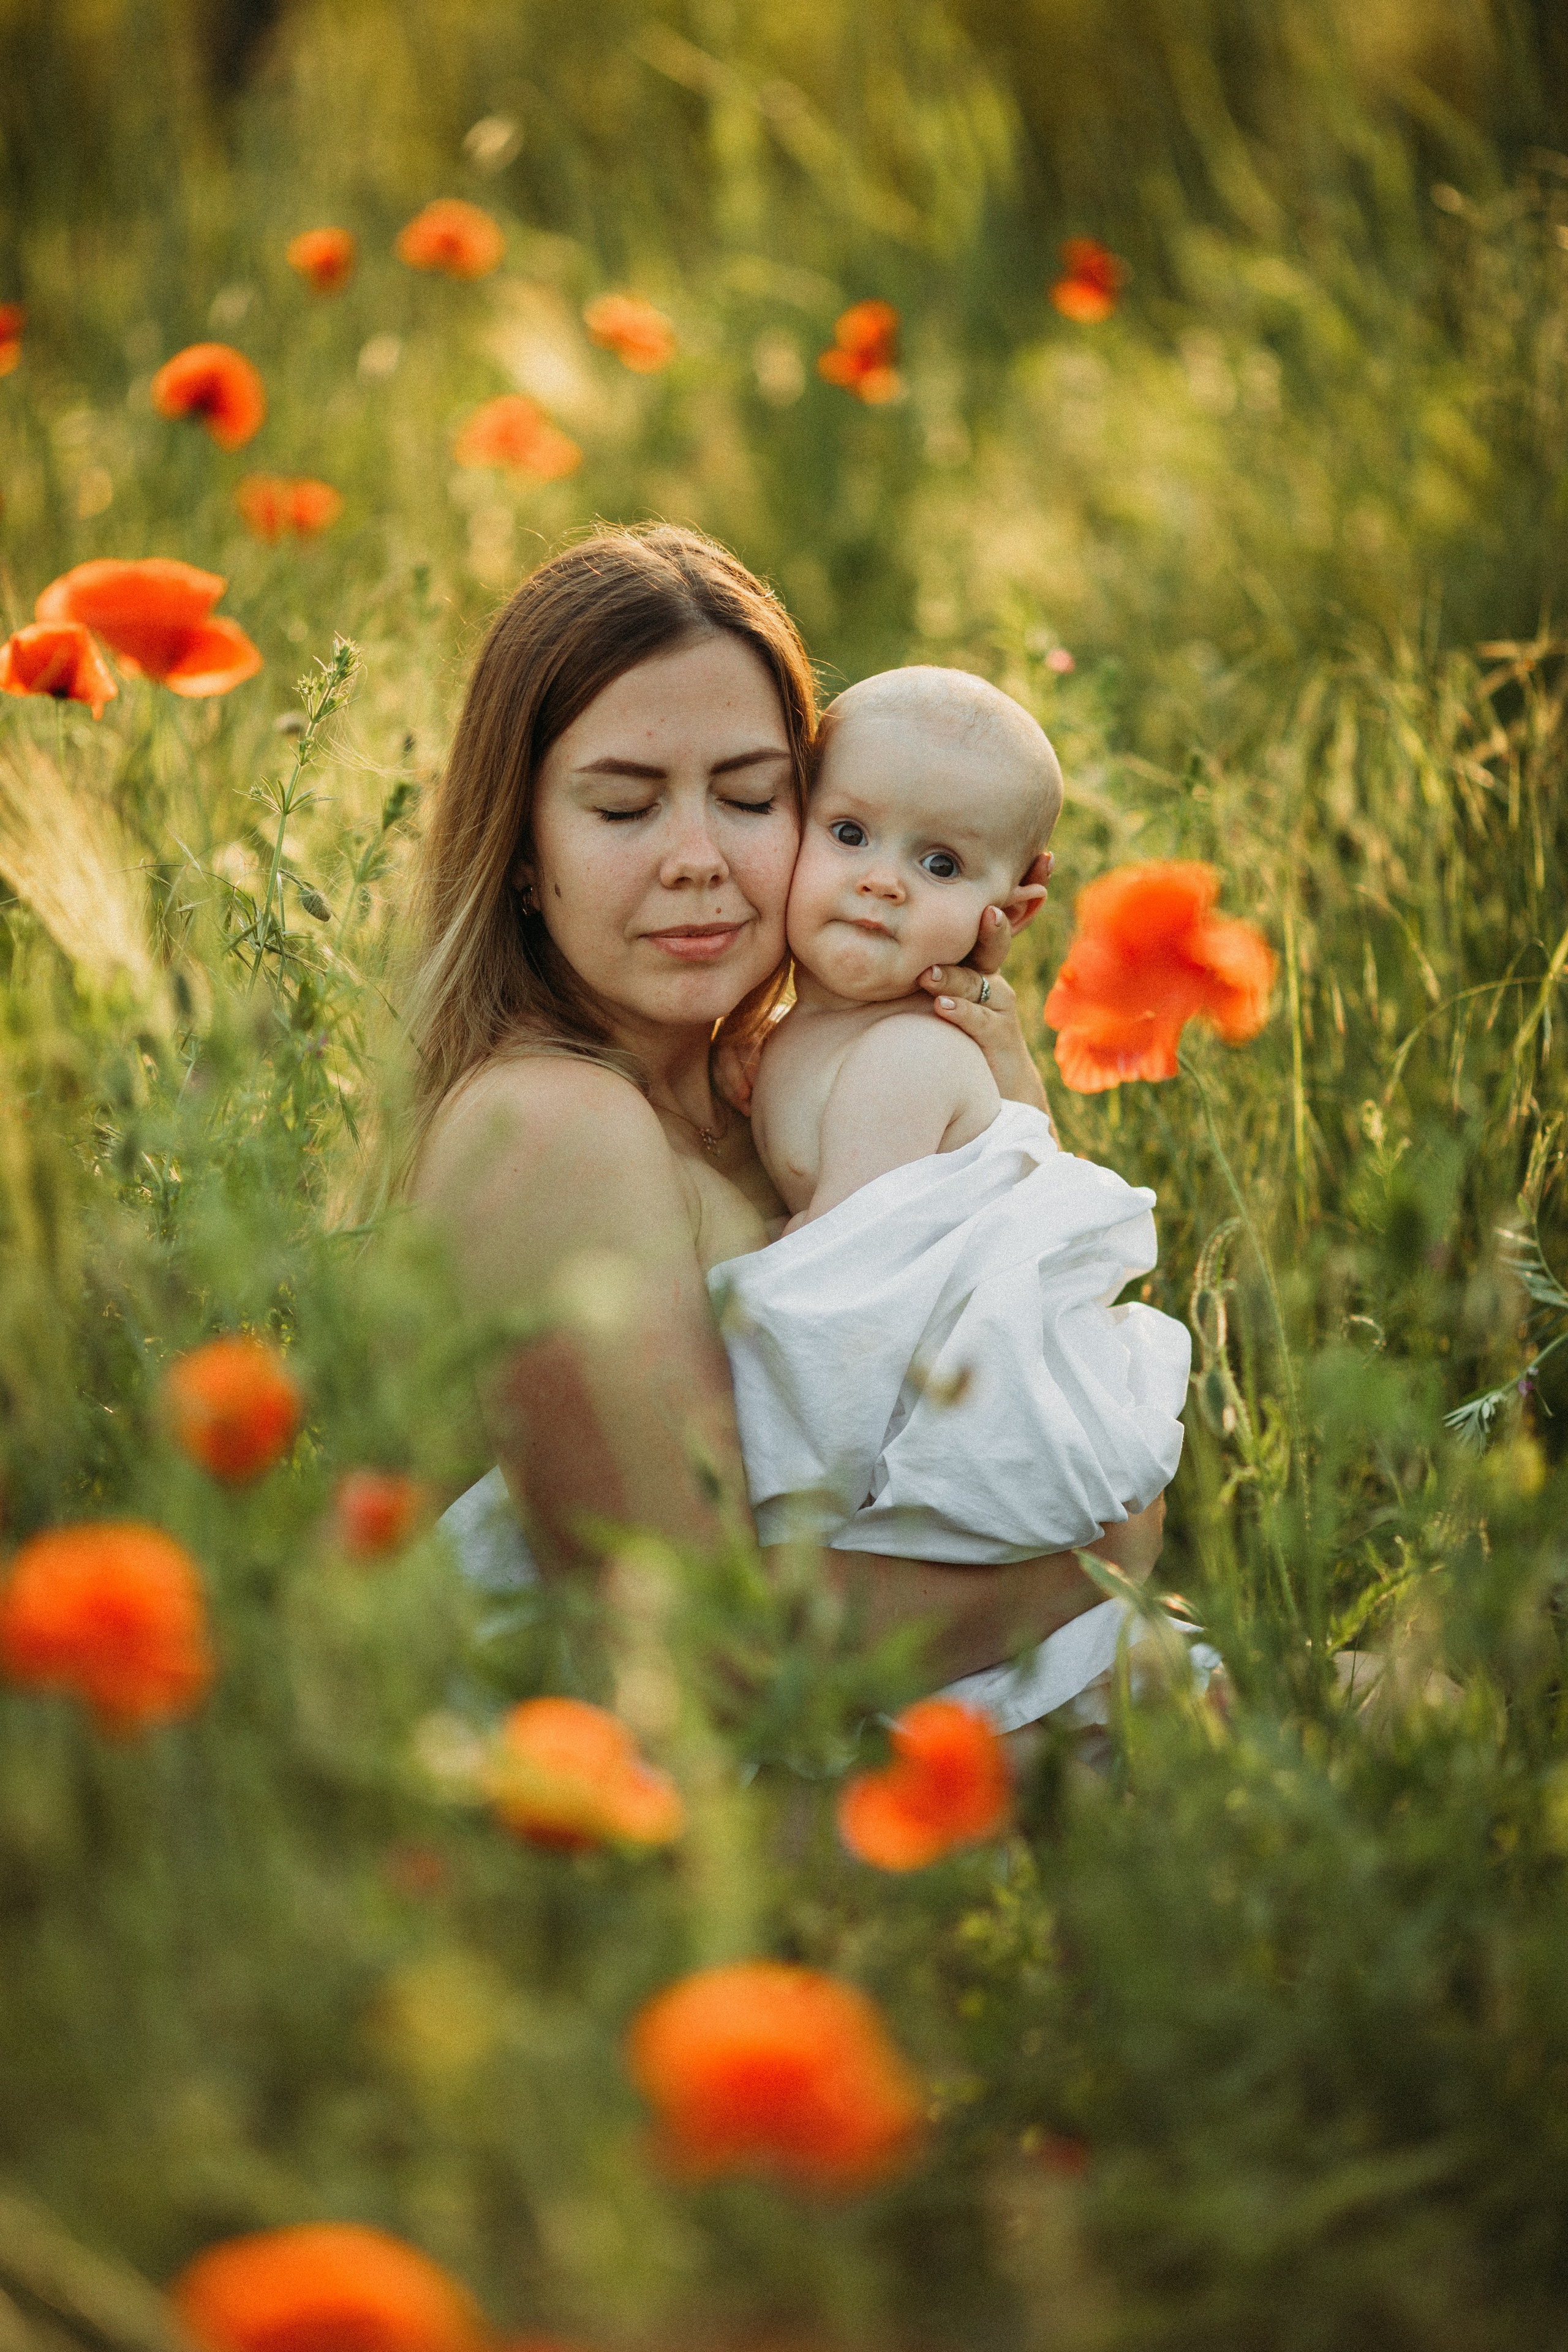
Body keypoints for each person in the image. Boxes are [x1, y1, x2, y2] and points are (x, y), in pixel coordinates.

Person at [406, 524, 1166, 1723]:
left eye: (753, 798)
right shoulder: (554, 1124)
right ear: (519, 850)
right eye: (624, 808)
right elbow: (693, 1654)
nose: (698, 858)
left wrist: (990, 1089)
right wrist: (1089, 1562)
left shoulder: (770, 1087)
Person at [712, 665, 1189, 1575]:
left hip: (943, 1436)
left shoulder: (905, 1058)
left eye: (940, 865)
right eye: (849, 834)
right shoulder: (804, 1030)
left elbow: (843, 1275)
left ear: (1011, 912)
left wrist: (741, 1254)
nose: (882, 882)